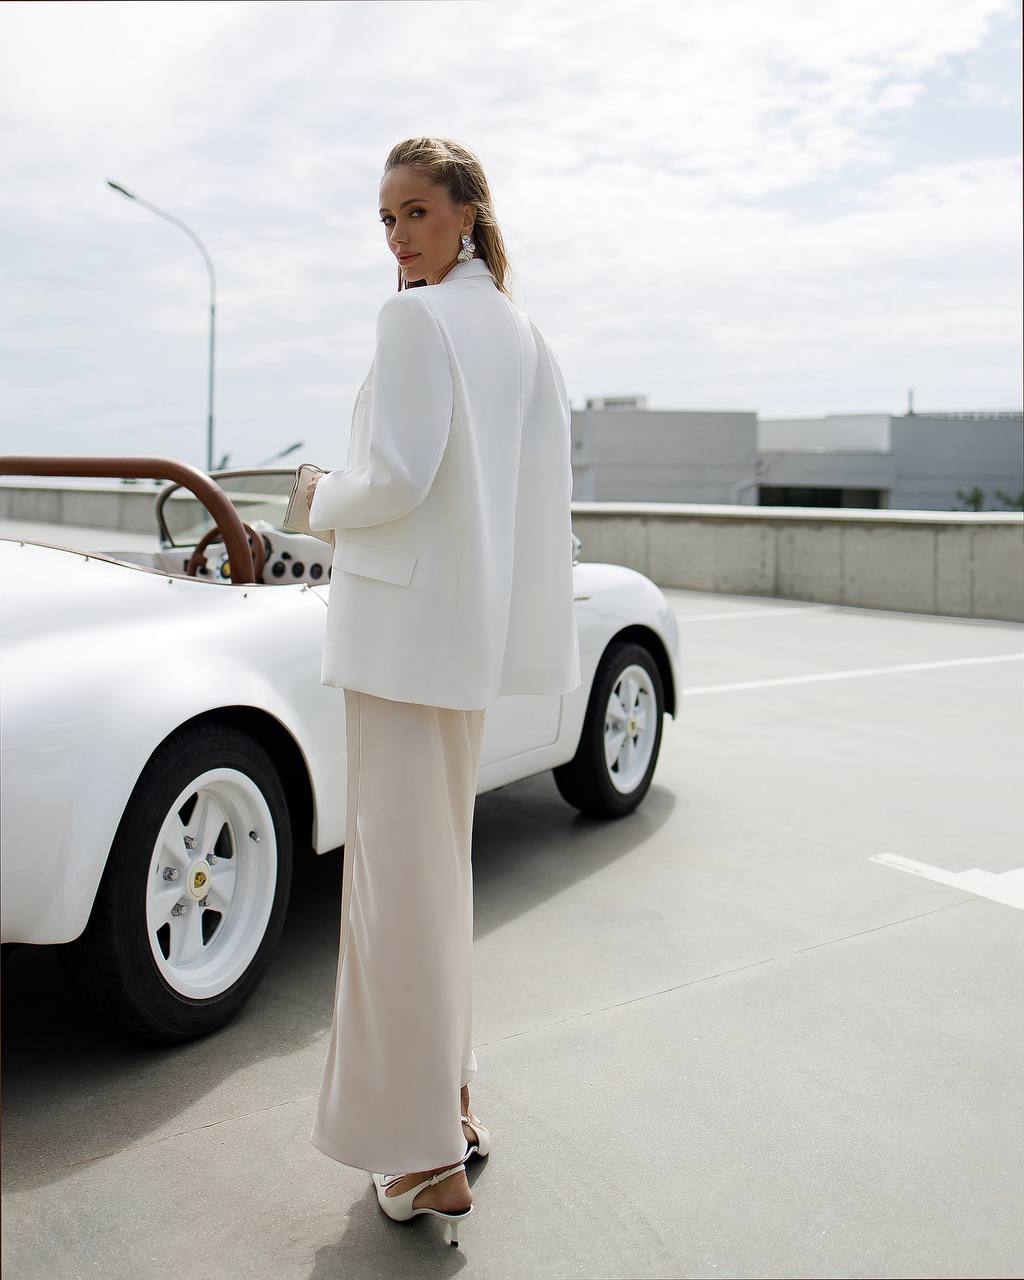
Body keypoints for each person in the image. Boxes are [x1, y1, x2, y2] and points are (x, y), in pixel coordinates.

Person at [304, 136, 581, 1248]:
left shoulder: (418, 321)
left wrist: (320, 492)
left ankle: (420, 1159)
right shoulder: (517, 331)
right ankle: (443, 1110)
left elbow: (401, 478)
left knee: (393, 898)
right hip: (459, 650)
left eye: (415, 212)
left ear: (467, 213)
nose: (397, 236)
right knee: (429, 887)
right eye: (385, 218)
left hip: (398, 645)